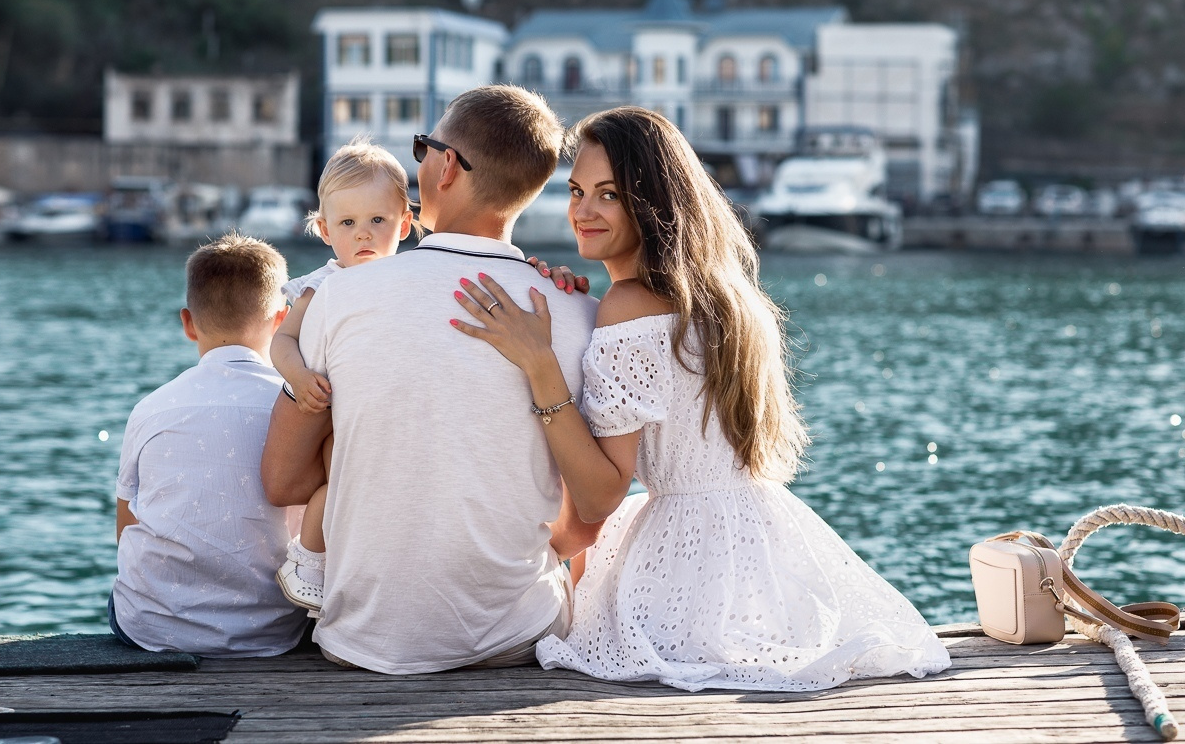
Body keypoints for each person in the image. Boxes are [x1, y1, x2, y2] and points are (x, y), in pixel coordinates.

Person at [451, 106, 951, 691]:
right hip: (762, 546)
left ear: (652, 202)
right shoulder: (722, 299)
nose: (582, 211)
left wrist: (541, 364)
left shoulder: (631, 305)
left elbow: (600, 494)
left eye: (607, 195)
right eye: (576, 190)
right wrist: (571, 307)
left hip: (687, 564)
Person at [261, 85, 601, 673]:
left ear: (446, 166)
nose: (417, 161)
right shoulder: (576, 310)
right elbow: (581, 526)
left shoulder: (338, 297)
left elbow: (283, 480)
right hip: (519, 636)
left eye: (423, 147)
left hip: (364, 643)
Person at [111, 233, 308, 657]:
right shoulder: (298, 406)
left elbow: (126, 522)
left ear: (188, 322)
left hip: (153, 628)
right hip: (272, 631)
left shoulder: (152, 407)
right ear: (282, 320)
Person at [270, 140, 418, 611]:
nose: (364, 235)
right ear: (325, 229)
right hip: (334, 407)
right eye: (348, 224)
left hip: (387, 410)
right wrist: (298, 377)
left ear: (405, 222)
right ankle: (308, 560)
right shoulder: (323, 285)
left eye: (378, 221)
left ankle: (369, 573)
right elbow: (281, 341)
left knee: (382, 491)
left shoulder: (412, 280)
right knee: (341, 478)